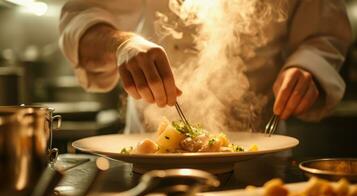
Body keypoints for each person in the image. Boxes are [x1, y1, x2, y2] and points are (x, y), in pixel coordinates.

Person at [59, 0, 352, 133]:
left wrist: (308, 67)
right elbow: (80, 16)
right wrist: (121, 43)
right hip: (147, 151)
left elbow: (324, 33)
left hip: (256, 154)